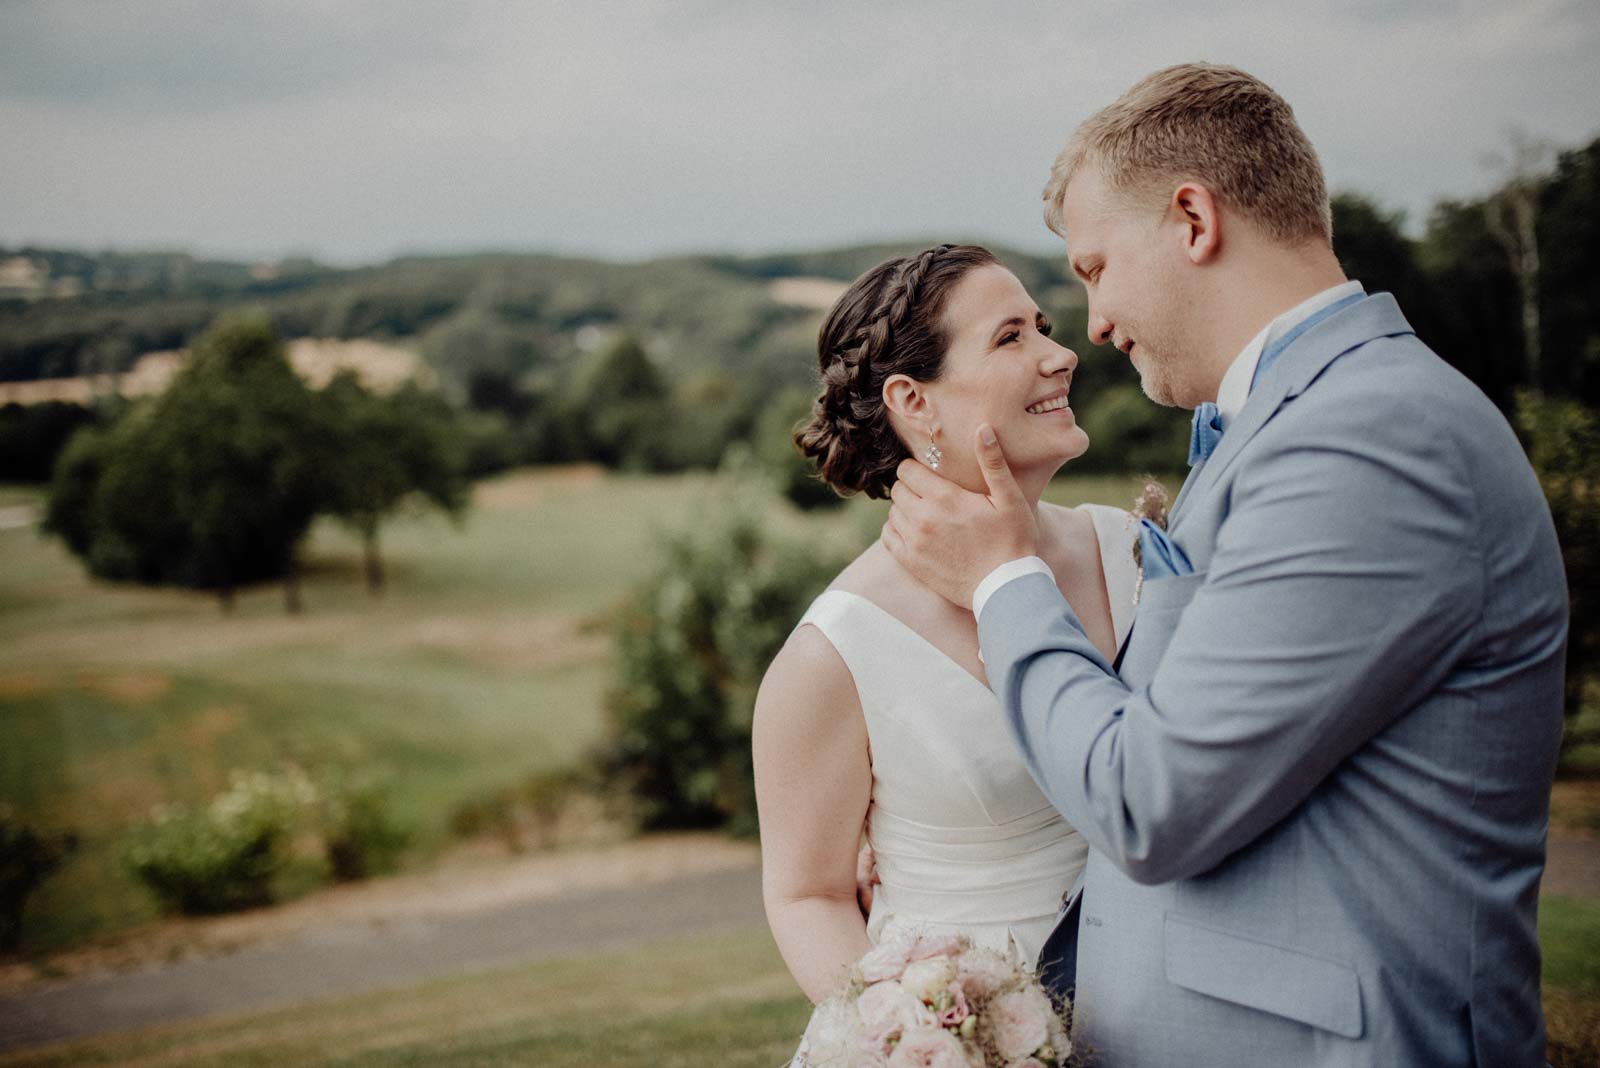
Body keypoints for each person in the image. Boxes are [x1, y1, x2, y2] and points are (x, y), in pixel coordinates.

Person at [882, 64, 1569, 1066]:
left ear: (1192, 219)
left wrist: (1001, 581)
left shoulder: (1369, 437)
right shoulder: (1290, 425)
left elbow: (1151, 803)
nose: (1098, 328)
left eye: (1093, 271)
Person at [751, 244, 1140, 1052]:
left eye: (1043, 326)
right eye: (1011, 338)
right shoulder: (836, 653)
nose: (1061, 354)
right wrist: (923, 1040)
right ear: (912, 401)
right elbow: (809, 895)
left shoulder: (1133, 551)